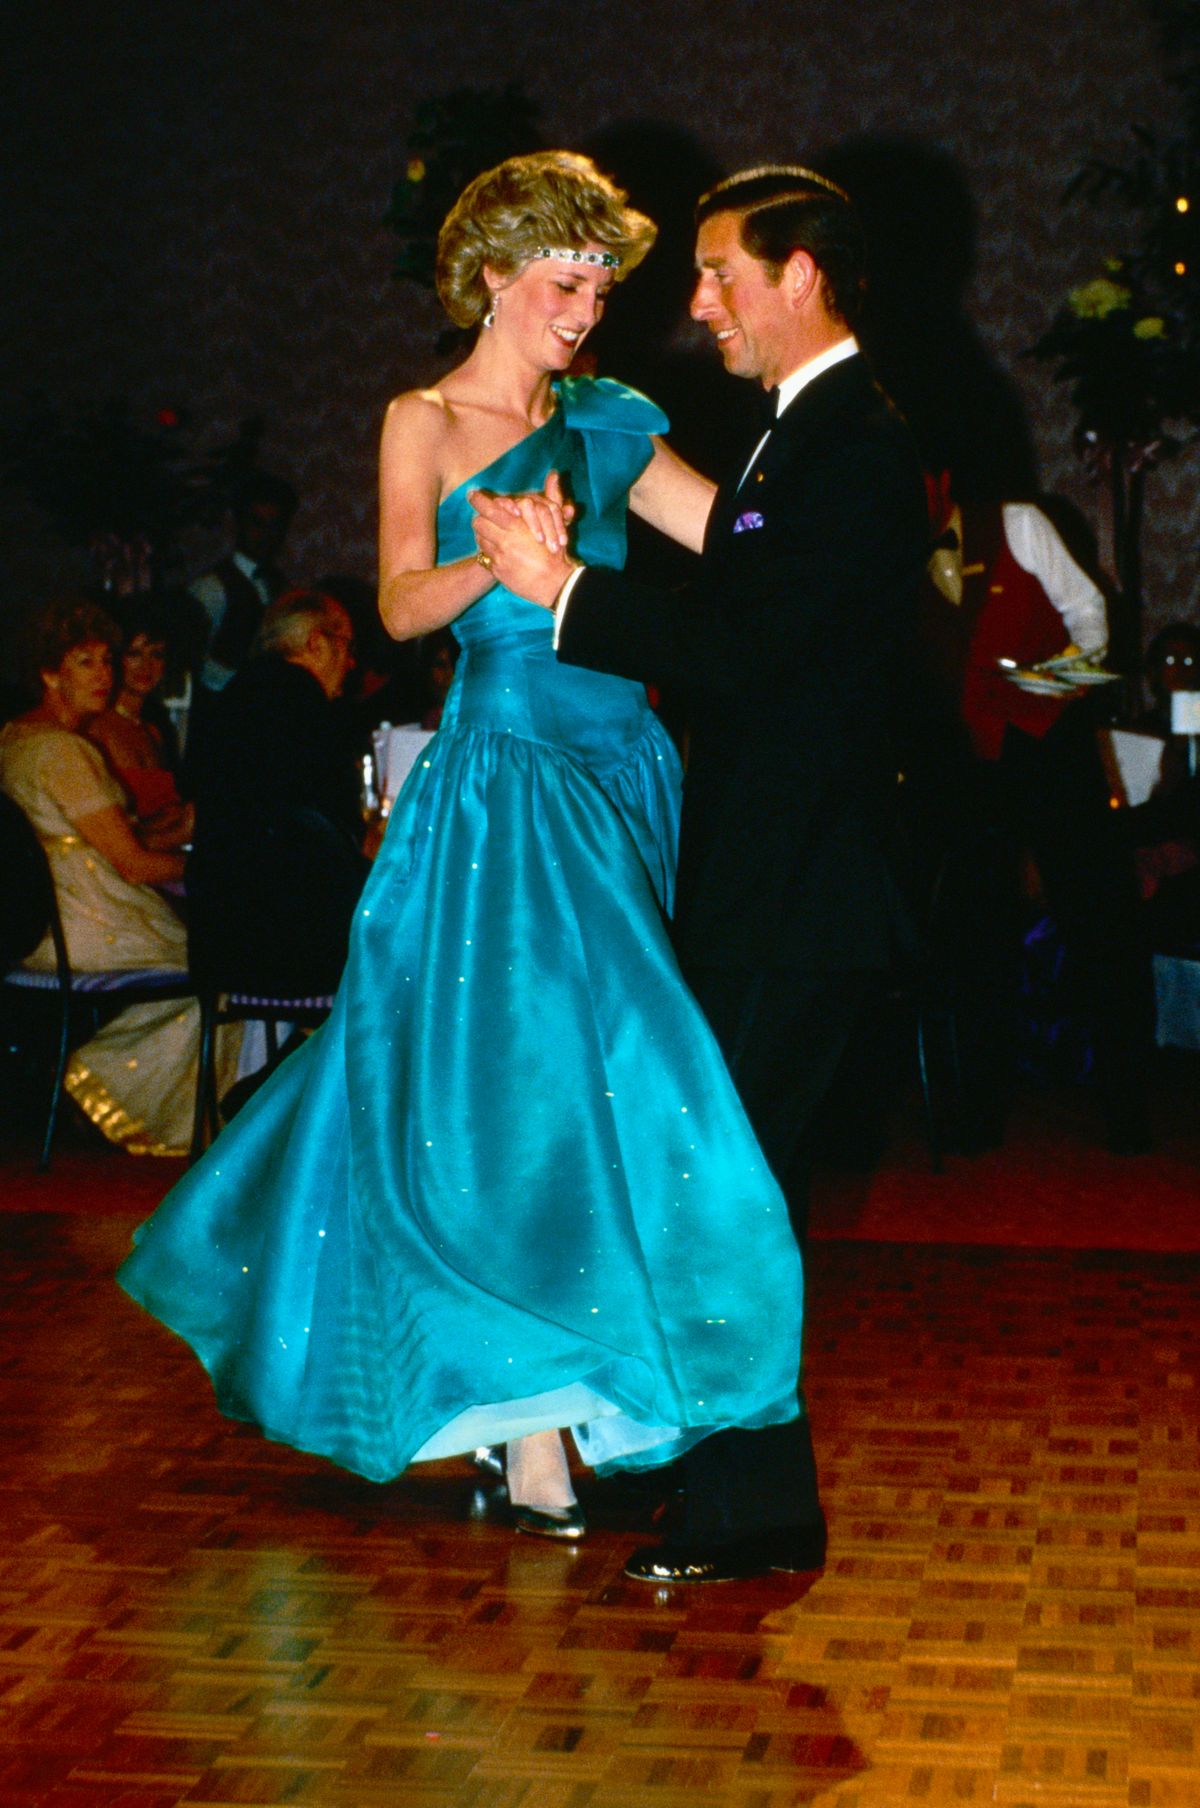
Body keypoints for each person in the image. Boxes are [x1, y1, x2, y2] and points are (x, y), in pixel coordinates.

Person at [117, 152, 808, 1547]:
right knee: (534, 1095)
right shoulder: (422, 422)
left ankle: (563, 1400)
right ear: (493, 276)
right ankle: (538, 1428)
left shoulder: (613, 416)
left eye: (602, 287)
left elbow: (736, 541)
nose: (586, 311)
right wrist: (502, 563)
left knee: (581, 1103)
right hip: (505, 785)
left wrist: (820, 502)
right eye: (567, 283)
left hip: (624, 770)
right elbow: (394, 611)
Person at [473, 163, 929, 1580]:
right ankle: (744, 1497)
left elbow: (753, 655)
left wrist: (564, 598)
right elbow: (742, 602)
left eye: (722, 273)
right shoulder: (797, 437)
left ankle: (747, 1508)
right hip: (780, 885)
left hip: (811, 892)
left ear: (802, 277)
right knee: (729, 1185)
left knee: (724, 1188)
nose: (698, 304)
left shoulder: (853, 440)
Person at [920, 477, 1155, 1152]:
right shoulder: (887, 551)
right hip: (969, 769)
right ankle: (979, 1112)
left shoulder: (1017, 523)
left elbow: (1092, 623)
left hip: (1052, 751)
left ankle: (1126, 1109)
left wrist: (1037, 690)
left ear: (942, 481)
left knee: (1100, 927)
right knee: (977, 939)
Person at [0, 597, 237, 1153]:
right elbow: (132, 864)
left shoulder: (16, 737)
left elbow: (86, 843)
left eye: (107, 661)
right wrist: (220, 869)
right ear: (48, 671)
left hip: (45, 921)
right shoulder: (62, 750)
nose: (105, 676)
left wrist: (176, 832)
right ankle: (99, 1083)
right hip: (83, 922)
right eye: (85, 662)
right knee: (228, 968)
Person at [186, 588, 370, 997]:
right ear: (316, 643)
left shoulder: (226, 701)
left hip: (219, 945)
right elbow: (340, 835)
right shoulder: (312, 714)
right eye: (348, 646)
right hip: (298, 949)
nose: (353, 662)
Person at [88, 598, 193, 849]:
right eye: (134, 653)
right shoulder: (97, 728)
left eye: (156, 654)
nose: (146, 665)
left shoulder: (154, 731)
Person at [188, 471, 297, 693]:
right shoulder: (211, 588)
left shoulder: (282, 586)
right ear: (237, 524)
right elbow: (192, 657)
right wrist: (241, 685)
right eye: (257, 523)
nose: (266, 535)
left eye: (274, 525)